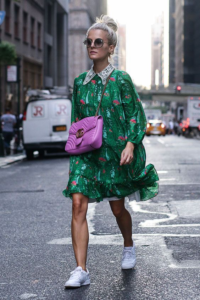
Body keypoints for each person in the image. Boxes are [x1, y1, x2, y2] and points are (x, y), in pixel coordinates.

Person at [63, 15, 159, 288]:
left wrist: (130, 143)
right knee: (78, 203)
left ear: (110, 47)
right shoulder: (80, 82)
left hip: (115, 155)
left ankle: (128, 244)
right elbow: (77, 120)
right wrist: (75, 147)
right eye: (88, 41)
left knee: (118, 209)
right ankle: (81, 269)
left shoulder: (121, 80)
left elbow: (135, 116)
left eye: (98, 42)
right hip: (86, 155)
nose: (92, 45)